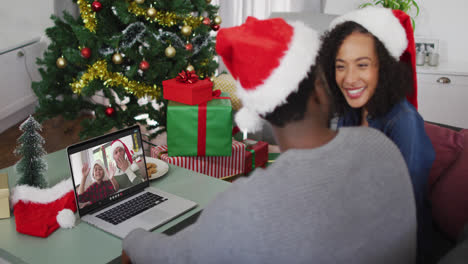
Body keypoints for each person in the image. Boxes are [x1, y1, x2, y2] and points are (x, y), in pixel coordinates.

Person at [122, 17, 417, 263]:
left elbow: (173, 258)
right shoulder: (381, 146)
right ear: (319, 89)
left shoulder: (245, 206)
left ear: (262, 111)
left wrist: (132, 239)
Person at [316, 7, 435, 262]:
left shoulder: (404, 121)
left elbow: (403, 208)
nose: (349, 78)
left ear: (384, 67)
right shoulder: (351, 113)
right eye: (340, 66)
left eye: (362, 65)